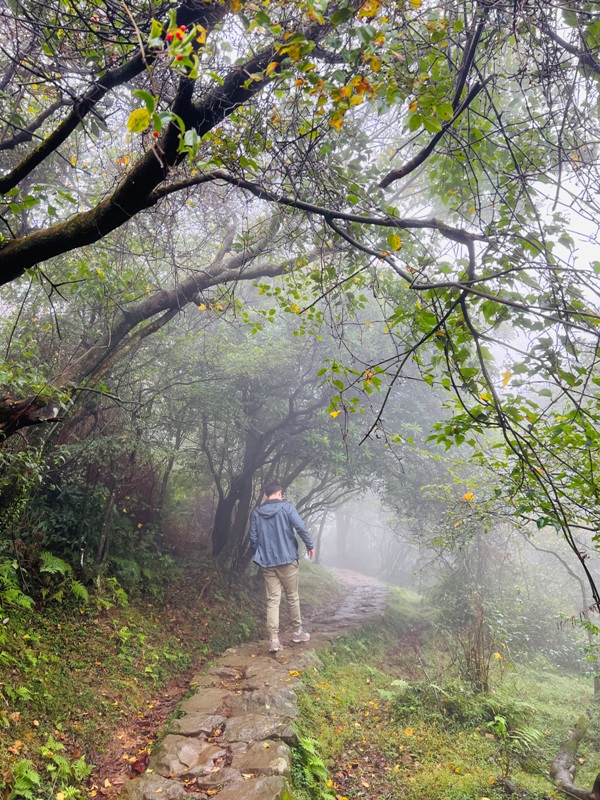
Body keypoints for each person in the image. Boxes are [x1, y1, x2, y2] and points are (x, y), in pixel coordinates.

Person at [249, 481, 315, 653]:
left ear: (265, 495)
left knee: (272, 601)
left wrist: (261, 555)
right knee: (292, 596)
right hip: (287, 560)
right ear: (279, 493)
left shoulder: (256, 512)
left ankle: (273, 640)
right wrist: (310, 545)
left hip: (268, 563)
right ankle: (297, 632)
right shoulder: (287, 508)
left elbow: (253, 539)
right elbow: (300, 527)